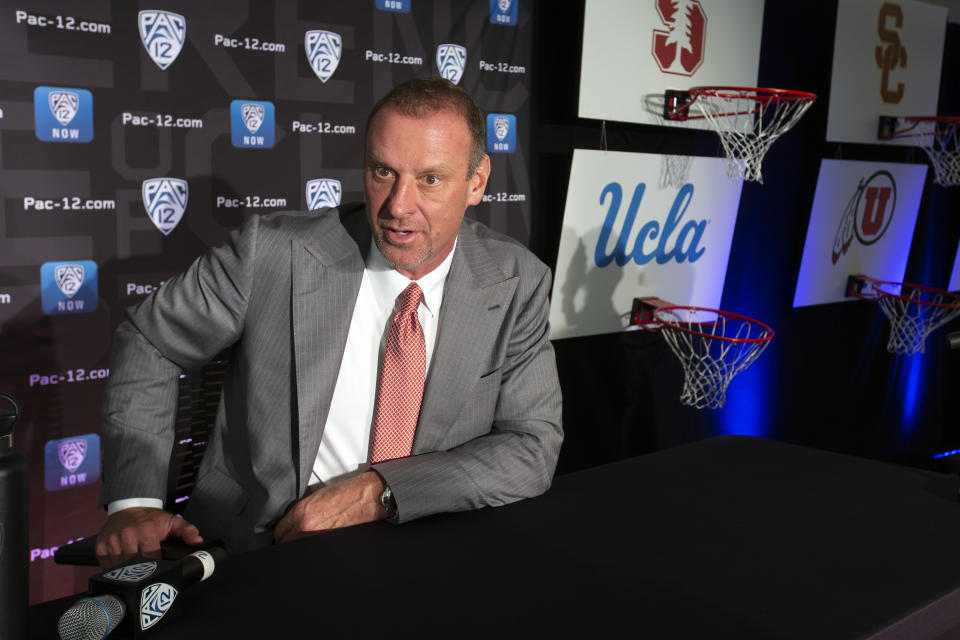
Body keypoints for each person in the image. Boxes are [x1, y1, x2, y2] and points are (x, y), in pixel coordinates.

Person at [95, 77, 563, 566]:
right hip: (261, 550)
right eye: (383, 171)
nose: (399, 206)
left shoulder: (517, 281)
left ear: (477, 182)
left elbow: (532, 446)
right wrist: (136, 503)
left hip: (430, 545)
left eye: (430, 179)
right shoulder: (273, 253)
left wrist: (379, 492)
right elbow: (152, 339)